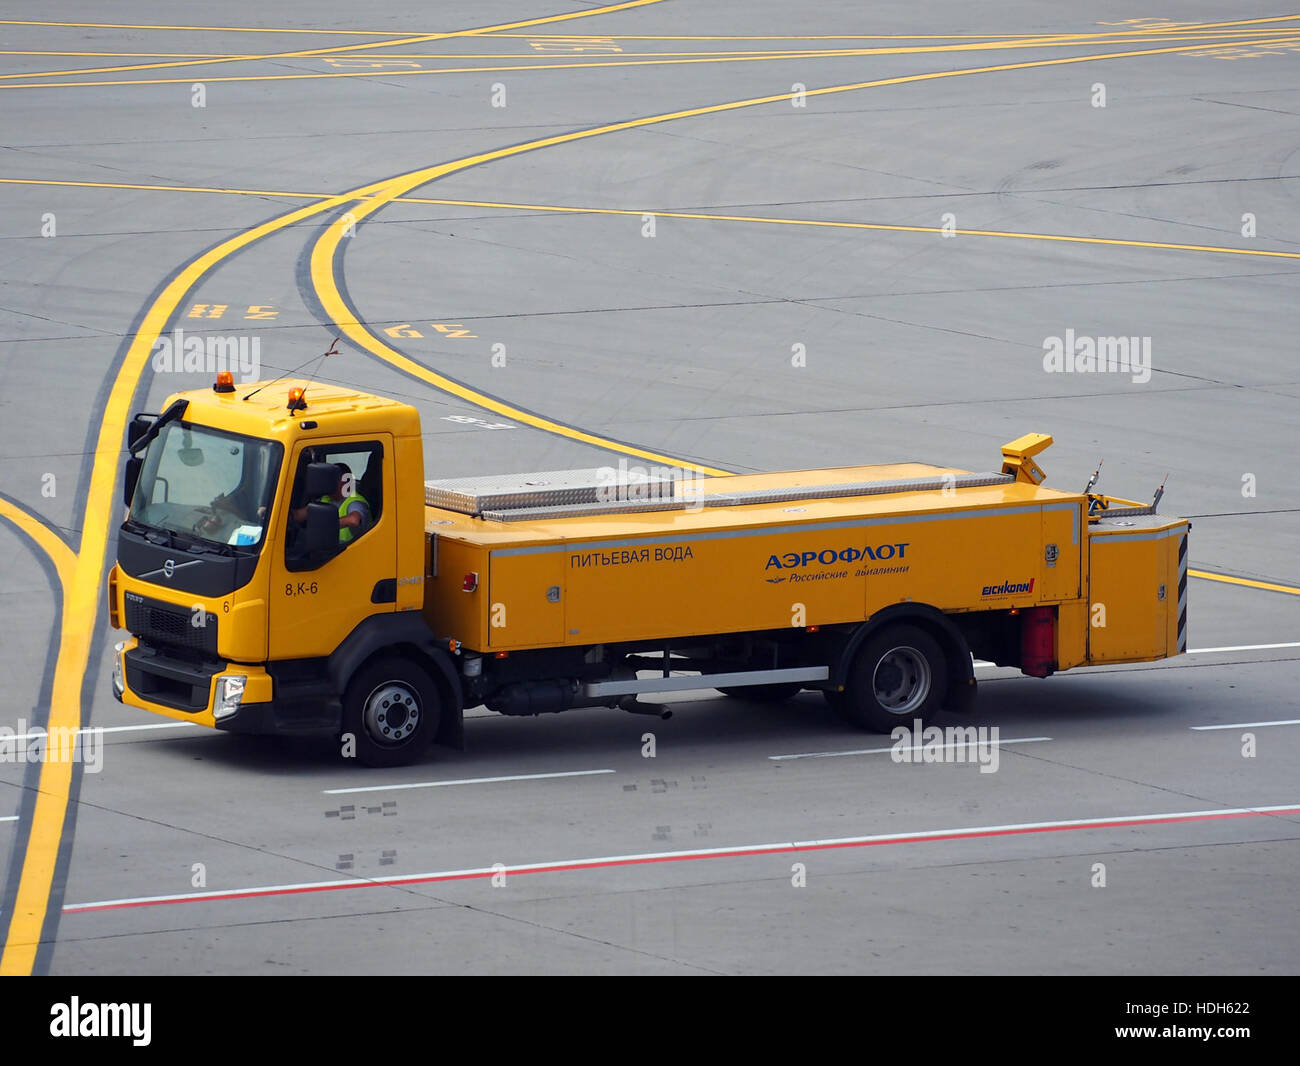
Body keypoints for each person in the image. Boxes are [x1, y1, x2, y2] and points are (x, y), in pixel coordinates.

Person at [292, 463, 370, 544]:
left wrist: (324, 525)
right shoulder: (325, 499)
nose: (325, 482)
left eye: (329, 479)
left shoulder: (355, 501)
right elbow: (299, 515)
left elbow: (354, 520)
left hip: (348, 551)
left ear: (343, 480)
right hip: (325, 549)